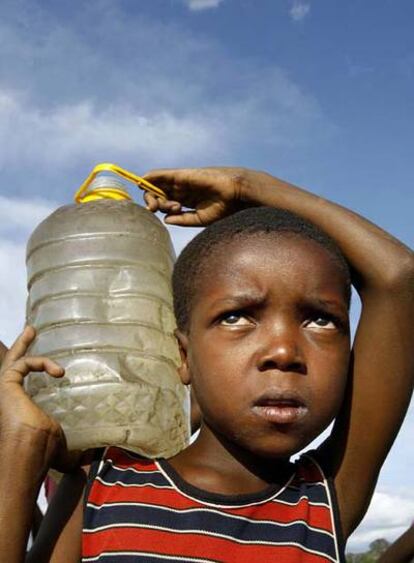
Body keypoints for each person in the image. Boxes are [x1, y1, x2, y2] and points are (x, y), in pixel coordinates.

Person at [0, 167, 413, 562]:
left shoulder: (323, 500)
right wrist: (19, 453)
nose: (284, 351)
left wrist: (246, 186)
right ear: (182, 357)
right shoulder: (102, 486)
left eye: (320, 320)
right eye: (235, 317)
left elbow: (399, 277)